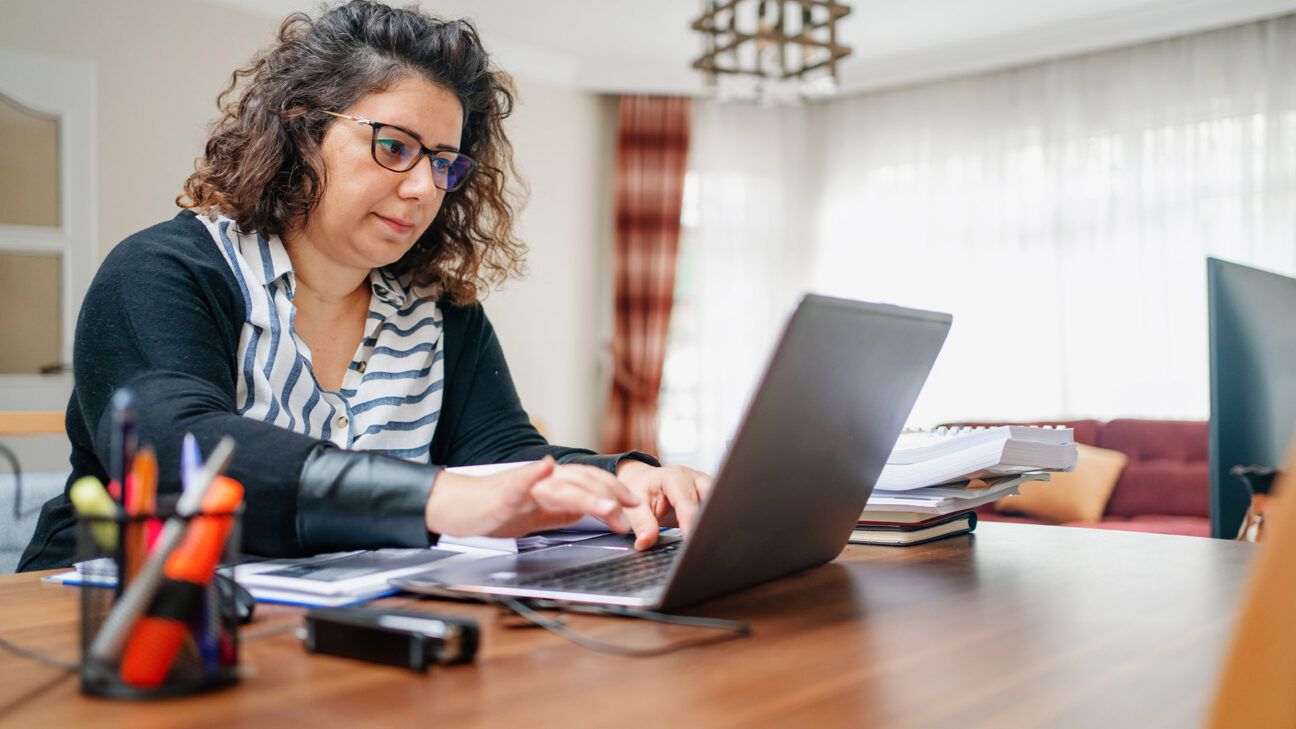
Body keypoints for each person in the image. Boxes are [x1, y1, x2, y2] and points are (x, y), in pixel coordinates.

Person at [19, 0, 709, 571]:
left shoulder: (443, 316)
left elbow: (505, 461)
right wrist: (432, 497)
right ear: (304, 130)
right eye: (394, 145)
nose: (420, 188)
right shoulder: (164, 271)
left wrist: (626, 477)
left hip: (314, 622)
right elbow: (178, 447)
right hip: (116, 616)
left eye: (443, 162)